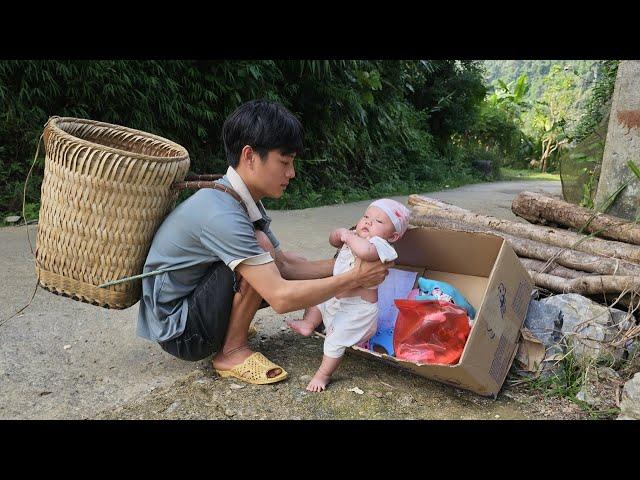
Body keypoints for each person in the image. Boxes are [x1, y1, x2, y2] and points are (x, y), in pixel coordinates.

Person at [136, 99, 392, 385]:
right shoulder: (222, 213)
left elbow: (284, 267)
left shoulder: (239, 198)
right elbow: (280, 297)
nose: (291, 173)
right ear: (250, 156)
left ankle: (229, 330)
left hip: (190, 307)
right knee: (259, 251)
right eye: (284, 162)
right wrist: (354, 278)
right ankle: (231, 352)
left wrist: (349, 263)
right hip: (181, 333)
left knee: (275, 257)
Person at [287, 198, 410, 391]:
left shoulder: (382, 246)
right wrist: (338, 235)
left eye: (378, 221)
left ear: (393, 236)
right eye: (366, 216)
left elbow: (365, 252)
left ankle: (323, 375)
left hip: (357, 312)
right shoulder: (354, 236)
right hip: (337, 299)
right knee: (318, 297)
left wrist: (348, 236)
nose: (368, 222)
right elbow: (334, 242)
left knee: (334, 342)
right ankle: (308, 323)